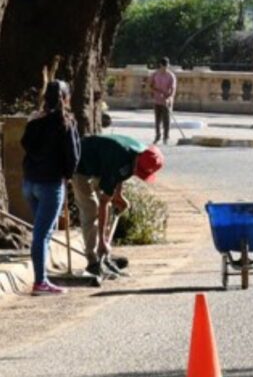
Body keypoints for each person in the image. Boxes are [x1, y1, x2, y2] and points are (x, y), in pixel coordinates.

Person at [71, 135, 164, 278]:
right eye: (138, 170)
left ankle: (104, 256)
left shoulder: (138, 154)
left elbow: (121, 175)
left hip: (100, 164)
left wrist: (118, 195)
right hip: (80, 164)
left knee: (106, 209)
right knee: (92, 209)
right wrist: (102, 239)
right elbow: (104, 202)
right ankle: (93, 262)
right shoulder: (118, 159)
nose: (136, 173)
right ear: (137, 159)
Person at [20, 81, 81, 295]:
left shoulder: (36, 120)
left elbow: (25, 144)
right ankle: (40, 281)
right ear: (65, 98)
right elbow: (73, 156)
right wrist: (67, 175)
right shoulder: (65, 122)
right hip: (50, 183)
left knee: (43, 231)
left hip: (30, 182)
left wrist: (30, 122)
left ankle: (42, 277)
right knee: (42, 233)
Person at [148, 57, 177, 144]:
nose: (165, 68)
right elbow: (150, 85)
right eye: (164, 66)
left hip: (166, 101)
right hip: (157, 100)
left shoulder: (171, 76)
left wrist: (169, 98)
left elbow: (173, 89)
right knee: (157, 120)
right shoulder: (155, 74)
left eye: (167, 66)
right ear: (160, 65)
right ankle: (157, 136)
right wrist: (156, 91)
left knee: (166, 120)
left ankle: (166, 137)